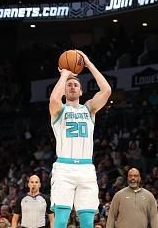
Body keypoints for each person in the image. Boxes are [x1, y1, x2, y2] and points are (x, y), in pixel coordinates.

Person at [49, 50, 111, 228]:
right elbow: (54, 98)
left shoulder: (89, 109)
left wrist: (88, 63)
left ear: (82, 91)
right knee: (60, 220)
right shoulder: (59, 110)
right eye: (69, 85)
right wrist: (65, 74)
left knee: (87, 222)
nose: (72, 87)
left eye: (76, 85)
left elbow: (106, 90)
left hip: (86, 168)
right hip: (64, 168)